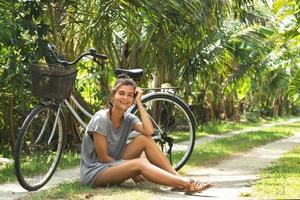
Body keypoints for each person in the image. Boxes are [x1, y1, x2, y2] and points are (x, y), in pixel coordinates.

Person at [80, 74, 212, 194]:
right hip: (96, 172)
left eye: (130, 95)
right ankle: (187, 183)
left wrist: (139, 102)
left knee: (144, 139)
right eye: (121, 93)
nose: (125, 98)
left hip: (114, 166)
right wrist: (131, 170)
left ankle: (176, 179)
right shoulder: (101, 118)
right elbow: (103, 159)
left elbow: (149, 131)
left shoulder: (129, 118)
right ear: (113, 96)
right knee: (139, 163)